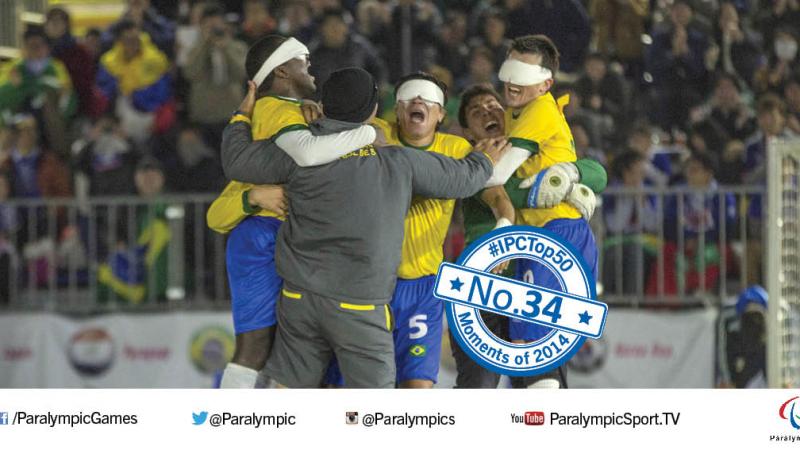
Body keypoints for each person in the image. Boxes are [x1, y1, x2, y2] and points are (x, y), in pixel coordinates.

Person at [221, 67, 508, 388]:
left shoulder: (299, 152)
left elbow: (237, 161)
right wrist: (484, 161)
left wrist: (241, 116)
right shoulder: (396, 160)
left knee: (288, 391)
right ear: (375, 112)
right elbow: (463, 179)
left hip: (299, 298)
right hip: (358, 306)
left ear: (324, 107)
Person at [205, 35, 379, 389]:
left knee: (292, 348)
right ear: (282, 70)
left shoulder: (289, 112)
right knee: (257, 347)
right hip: (265, 236)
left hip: (283, 237)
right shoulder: (279, 110)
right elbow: (307, 153)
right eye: (304, 59)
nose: (310, 66)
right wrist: (368, 134)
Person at [452, 83, 607, 388]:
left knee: (544, 388)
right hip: (486, 287)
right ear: (468, 131)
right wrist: (563, 190)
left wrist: (570, 178)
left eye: (493, 106)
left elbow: (598, 172)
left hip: (533, 282)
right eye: (476, 112)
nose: (488, 112)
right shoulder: (471, 164)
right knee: (478, 390)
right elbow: (507, 194)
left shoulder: (529, 154)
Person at [481, 34, 601, 389]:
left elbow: (497, 174)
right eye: (510, 68)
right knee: (527, 357)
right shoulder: (516, 113)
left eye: (524, 73)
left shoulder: (540, 110)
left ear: (545, 83)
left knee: (531, 350)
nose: (513, 81)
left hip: (556, 234)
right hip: (538, 238)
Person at [95, 20, 173, 145]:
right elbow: (103, 95)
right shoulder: (108, 63)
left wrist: (157, 120)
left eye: (135, 39)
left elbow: (163, 97)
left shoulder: (155, 60)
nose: (131, 44)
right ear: (119, 41)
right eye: (126, 39)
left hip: (151, 119)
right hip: (119, 122)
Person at [183, 4, 248, 147]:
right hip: (204, 115)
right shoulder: (194, 49)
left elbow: (242, 73)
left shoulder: (237, 47)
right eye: (208, 26)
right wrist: (204, 44)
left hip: (230, 112)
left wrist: (226, 48)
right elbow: (190, 73)